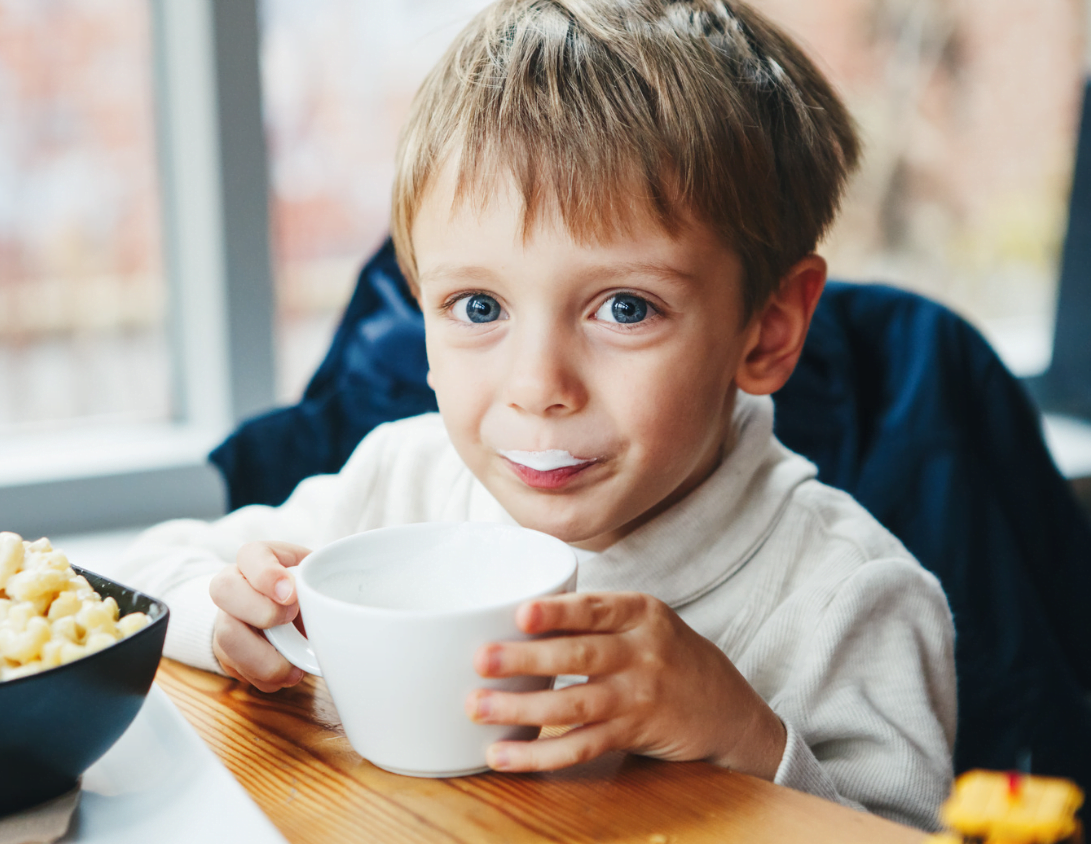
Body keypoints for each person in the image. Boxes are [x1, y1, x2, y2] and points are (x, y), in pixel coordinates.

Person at [116, 0, 955, 830]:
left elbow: (901, 827)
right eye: (478, 307)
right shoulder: (404, 480)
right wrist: (227, 619)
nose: (537, 386)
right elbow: (143, 580)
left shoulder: (855, 600)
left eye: (625, 309)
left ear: (767, 330)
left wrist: (748, 737)